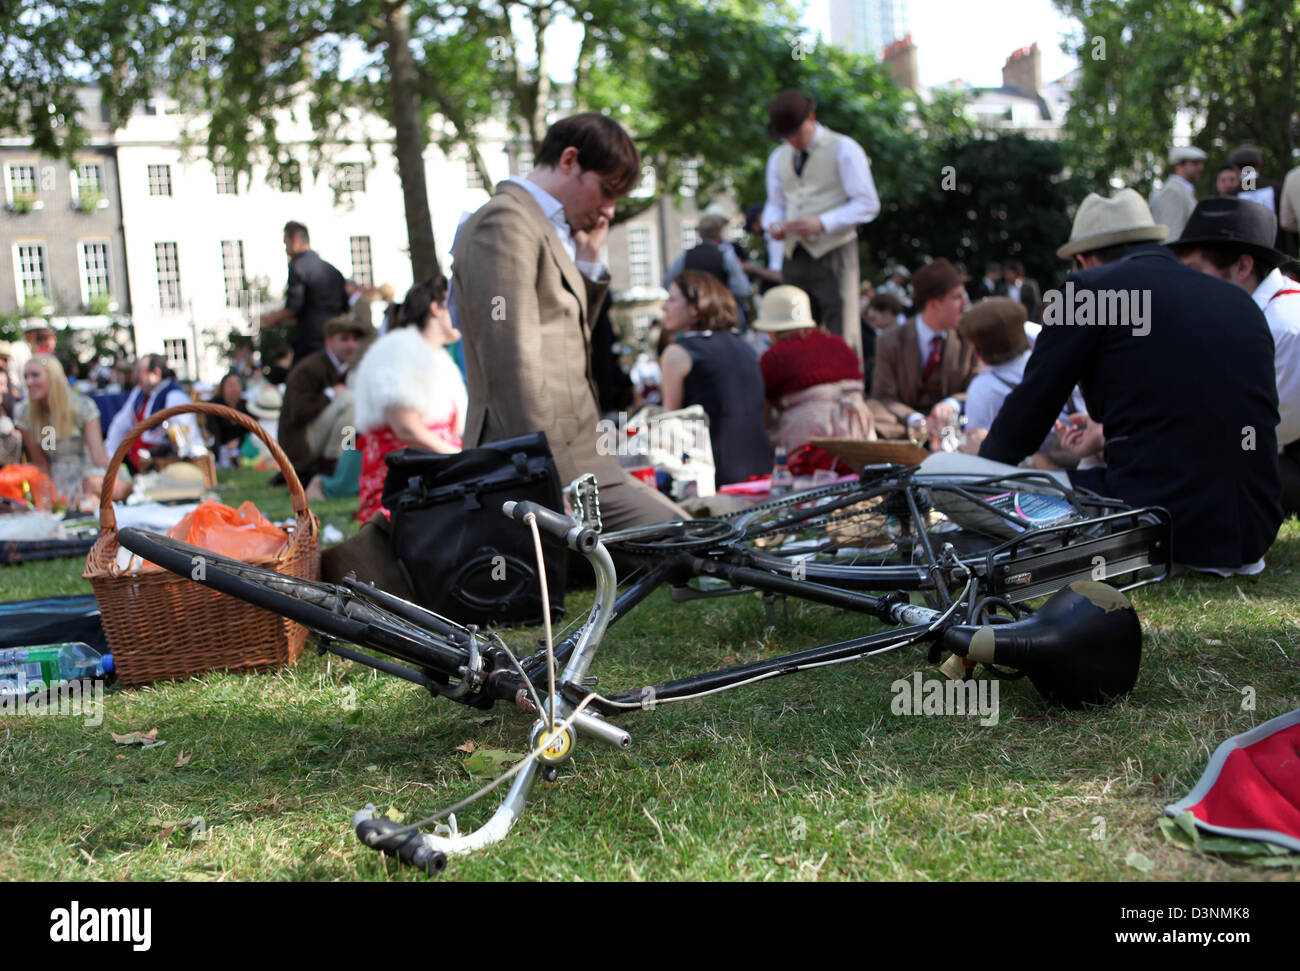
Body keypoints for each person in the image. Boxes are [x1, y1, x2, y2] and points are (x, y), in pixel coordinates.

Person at [979, 188, 1282, 574]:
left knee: (942, 473)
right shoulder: (1239, 301)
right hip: (1248, 536)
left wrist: (978, 479)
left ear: (1084, 259)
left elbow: (1022, 424)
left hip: (1153, 527)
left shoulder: (1086, 292)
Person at [451, 111, 682, 529]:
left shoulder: (543, 225)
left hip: (581, 457)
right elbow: (510, 361)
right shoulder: (505, 222)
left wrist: (590, 264)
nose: (609, 210)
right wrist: (547, 475)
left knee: (689, 535)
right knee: (681, 541)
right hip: (537, 462)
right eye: (606, 191)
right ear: (569, 160)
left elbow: (569, 335)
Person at [1167, 196, 1300, 517]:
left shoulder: (1285, 326)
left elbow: (1266, 431)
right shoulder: (1242, 315)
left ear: (1242, 267)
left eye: (1196, 271)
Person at [761, 89, 880, 364]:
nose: (791, 140)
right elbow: (775, 203)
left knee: (842, 332)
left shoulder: (845, 148)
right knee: (793, 330)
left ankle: (849, 398)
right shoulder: (777, 159)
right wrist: (773, 225)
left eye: (795, 132)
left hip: (835, 251)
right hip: (795, 254)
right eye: (785, 135)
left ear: (811, 118)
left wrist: (822, 223)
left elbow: (868, 203)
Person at [337, 275, 467, 521]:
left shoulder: (436, 356)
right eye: (456, 306)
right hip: (403, 485)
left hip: (432, 475)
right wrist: (461, 458)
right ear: (436, 308)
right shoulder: (400, 349)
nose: (463, 314)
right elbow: (405, 426)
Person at [659, 270, 773, 484]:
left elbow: (669, 428)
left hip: (714, 478)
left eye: (672, 299)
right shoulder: (746, 348)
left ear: (694, 308)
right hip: (763, 469)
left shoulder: (678, 353)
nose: (664, 307)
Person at [866, 258, 979, 443]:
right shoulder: (889, 341)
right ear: (933, 304)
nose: (965, 304)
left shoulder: (968, 339)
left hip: (954, 428)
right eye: (957, 297)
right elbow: (883, 397)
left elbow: (978, 387)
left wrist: (951, 404)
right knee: (870, 413)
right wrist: (915, 420)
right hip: (904, 427)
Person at [754, 284, 873, 456]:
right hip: (857, 426)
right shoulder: (838, 343)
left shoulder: (775, 356)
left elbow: (762, 409)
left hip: (810, 433)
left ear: (771, 330)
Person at [956, 297, 1079, 462]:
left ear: (977, 351)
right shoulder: (1056, 358)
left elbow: (980, 453)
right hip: (1088, 457)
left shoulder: (982, 388)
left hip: (1039, 474)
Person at [14, 355, 131, 508]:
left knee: (97, 487)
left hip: (87, 474)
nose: (29, 382)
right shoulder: (26, 414)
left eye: (35, 375)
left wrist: (117, 481)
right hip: (55, 479)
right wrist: (44, 494)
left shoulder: (82, 407)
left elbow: (98, 455)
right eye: (26, 377)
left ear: (52, 377)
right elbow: (41, 463)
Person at [277, 314, 370, 483]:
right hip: (299, 445)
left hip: (313, 440)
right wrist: (329, 395)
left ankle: (345, 462)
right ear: (329, 342)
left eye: (354, 339)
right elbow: (298, 413)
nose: (352, 345)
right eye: (344, 339)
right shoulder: (310, 368)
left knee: (352, 406)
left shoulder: (344, 369)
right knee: (348, 401)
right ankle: (331, 469)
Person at [260, 221, 349, 365]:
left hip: (311, 343)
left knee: (300, 383)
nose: (286, 250)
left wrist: (269, 320)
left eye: (286, 243)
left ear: (295, 240)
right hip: (336, 342)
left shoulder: (298, 267)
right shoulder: (334, 272)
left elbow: (293, 308)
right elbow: (344, 307)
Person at [103, 354, 201, 474]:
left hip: (164, 466)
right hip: (138, 465)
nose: (136, 375)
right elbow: (120, 425)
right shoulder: (138, 393)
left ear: (156, 373)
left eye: (140, 371)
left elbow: (185, 438)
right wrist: (109, 456)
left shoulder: (174, 396)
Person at [663, 212, 753, 325]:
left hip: (694, 317)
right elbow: (742, 289)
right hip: (722, 317)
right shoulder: (725, 255)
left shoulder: (686, 256)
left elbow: (668, 283)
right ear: (718, 232)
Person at [1148, 146, 1206, 240]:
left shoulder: (1182, 190)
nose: (1201, 168)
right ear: (1179, 165)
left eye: (1200, 164)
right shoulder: (1173, 191)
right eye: (1195, 163)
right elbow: (1172, 236)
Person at [207, 372, 251, 468]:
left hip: (241, 449)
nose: (235, 388)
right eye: (231, 385)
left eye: (237, 384)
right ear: (223, 388)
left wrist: (239, 441)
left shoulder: (244, 406)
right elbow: (213, 430)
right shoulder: (215, 407)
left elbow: (249, 429)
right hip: (221, 450)